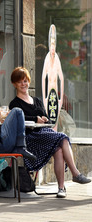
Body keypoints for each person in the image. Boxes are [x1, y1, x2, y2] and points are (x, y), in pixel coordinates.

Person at [9, 67, 91, 198]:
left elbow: (45, 116)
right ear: (14, 84)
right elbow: (18, 119)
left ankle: (61, 188)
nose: (23, 84)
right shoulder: (14, 104)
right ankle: (75, 174)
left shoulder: (37, 100)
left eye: (25, 81)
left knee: (58, 150)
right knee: (63, 138)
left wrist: (44, 118)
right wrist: (35, 119)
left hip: (44, 133)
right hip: (31, 138)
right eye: (20, 82)